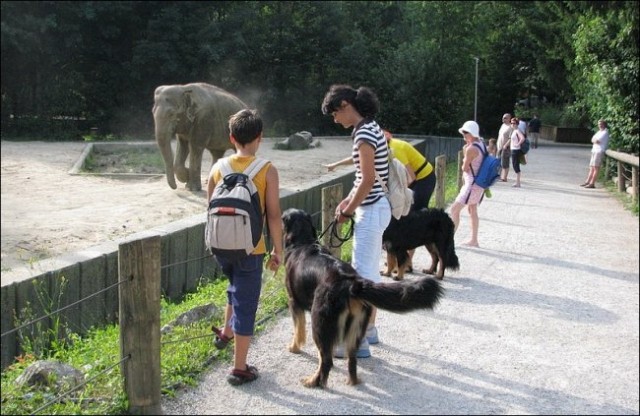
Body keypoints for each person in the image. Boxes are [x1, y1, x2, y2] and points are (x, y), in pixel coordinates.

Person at [206, 108, 283, 386]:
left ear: (231, 138)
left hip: (220, 246)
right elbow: (273, 215)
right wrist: (278, 251)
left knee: (234, 288)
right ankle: (239, 368)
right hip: (251, 248)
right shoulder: (267, 170)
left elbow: (209, 208)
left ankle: (226, 332)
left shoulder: (217, 167)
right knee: (246, 303)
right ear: (260, 137)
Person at [321, 84, 391, 358]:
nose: (335, 120)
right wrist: (348, 201)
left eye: (334, 115)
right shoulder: (371, 127)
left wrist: (349, 209)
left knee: (359, 278)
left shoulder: (363, 134)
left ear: (345, 106)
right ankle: (369, 331)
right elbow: (364, 178)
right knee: (370, 273)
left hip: (371, 209)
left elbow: (368, 179)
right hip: (376, 207)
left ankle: (355, 341)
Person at [449, 120, 485, 247]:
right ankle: (474, 240)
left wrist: (465, 152)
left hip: (471, 184)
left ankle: (448, 241)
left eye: (465, 133)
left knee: (454, 209)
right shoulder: (481, 144)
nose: (463, 135)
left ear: (472, 133)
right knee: (472, 209)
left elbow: (464, 168)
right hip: (479, 183)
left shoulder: (471, 148)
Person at [581, 119, 609, 189]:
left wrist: (594, 140)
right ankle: (587, 181)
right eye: (599, 124)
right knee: (591, 167)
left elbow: (597, 140)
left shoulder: (605, 132)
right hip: (594, 150)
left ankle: (592, 183)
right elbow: (592, 139)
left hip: (599, 151)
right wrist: (594, 140)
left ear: (604, 124)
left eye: (601, 124)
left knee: (596, 167)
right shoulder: (599, 132)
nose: (600, 125)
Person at [509, 117, 526, 188]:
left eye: (514, 123)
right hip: (513, 150)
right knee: (515, 165)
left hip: (516, 150)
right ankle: (517, 182)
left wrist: (517, 144)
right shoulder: (514, 131)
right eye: (511, 123)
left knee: (516, 166)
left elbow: (522, 138)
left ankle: (518, 183)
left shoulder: (517, 131)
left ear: (517, 124)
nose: (512, 124)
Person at [497, 113, 513, 182]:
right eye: (503, 117)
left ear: (509, 119)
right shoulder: (503, 125)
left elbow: (511, 138)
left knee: (505, 163)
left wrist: (506, 145)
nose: (503, 119)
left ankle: (504, 177)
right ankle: (499, 176)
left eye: (505, 118)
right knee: (498, 161)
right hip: (499, 146)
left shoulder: (511, 127)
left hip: (506, 147)